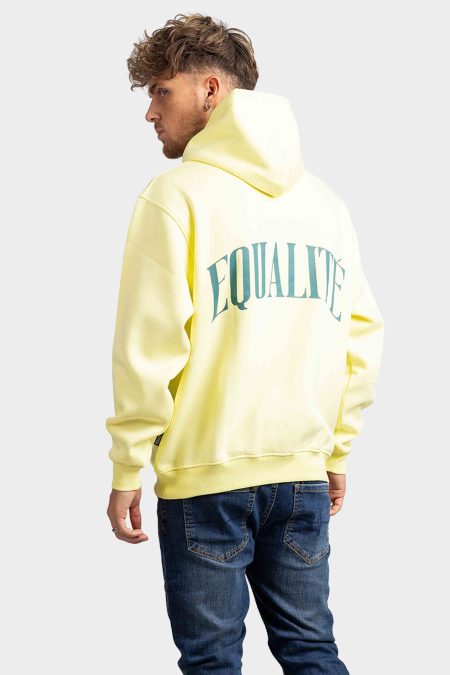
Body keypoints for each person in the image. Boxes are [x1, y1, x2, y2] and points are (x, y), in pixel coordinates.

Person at [105, 12, 384, 675]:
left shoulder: (175, 198)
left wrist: (126, 467)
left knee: (211, 661)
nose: (150, 112)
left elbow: (148, 351)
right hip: (301, 477)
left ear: (210, 90)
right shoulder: (326, 206)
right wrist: (335, 449)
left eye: (161, 91)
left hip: (205, 481)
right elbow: (362, 339)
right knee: (312, 650)